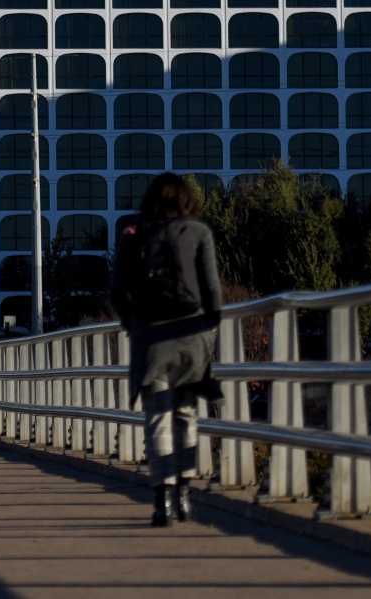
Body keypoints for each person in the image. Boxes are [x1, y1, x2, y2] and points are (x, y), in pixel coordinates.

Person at [109, 172, 223, 528]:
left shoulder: (134, 235)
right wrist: (211, 325)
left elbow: (117, 292)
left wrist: (134, 326)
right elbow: (212, 290)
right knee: (186, 414)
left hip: (150, 339)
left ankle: (162, 502)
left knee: (157, 418)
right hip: (191, 337)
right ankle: (186, 495)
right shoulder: (199, 233)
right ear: (187, 200)